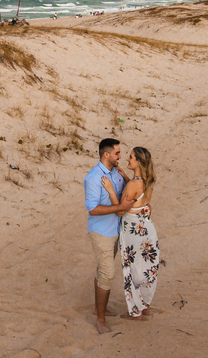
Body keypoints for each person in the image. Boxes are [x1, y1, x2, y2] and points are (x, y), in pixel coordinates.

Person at [101, 146, 159, 319]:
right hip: (147, 228)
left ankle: (136, 312)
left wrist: (111, 189)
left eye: (131, 157)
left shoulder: (133, 185)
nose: (128, 159)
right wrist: (126, 177)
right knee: (146, 267)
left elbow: (120, 210)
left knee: (133, 268)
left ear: (139, 162)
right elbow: (138, 197)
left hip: (133, 231)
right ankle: (145, 305)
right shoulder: (148, 181)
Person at [84, 138, 133, 333]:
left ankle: (98, 308)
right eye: (117, 153)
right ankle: (101, 321)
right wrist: (119, 207)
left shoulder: (117, 174)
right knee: (107, 274)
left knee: (102, 271)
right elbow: (93, 209)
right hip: (101, 232)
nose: (120, 156)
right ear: (106, 155)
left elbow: (124, 197)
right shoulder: (94, 177)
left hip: (116, 230)